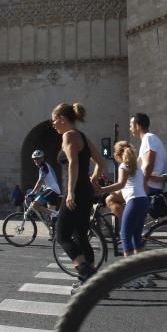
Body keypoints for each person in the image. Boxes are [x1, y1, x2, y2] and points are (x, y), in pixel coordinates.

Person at [50, 102, 105, 291]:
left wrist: (71, 191)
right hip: (86, 191)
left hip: (77, 191)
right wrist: (93, 180)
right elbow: (100, 162)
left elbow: (73, 163)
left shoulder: (68, 136)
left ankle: (87, 273)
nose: (53, 124)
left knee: (62, 235)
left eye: (54, 120)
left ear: (62, 119)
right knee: (80, 235)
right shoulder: (82, 136)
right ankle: (88, 281)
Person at [95, 141, 148, 264]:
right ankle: (141, 272)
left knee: (124, 234)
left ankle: (130, 273)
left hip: (134, 202)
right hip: (143, 201)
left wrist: (102, 190)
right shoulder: (137, 168)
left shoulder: (123, 166)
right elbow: (129, 186)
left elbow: (121, 184)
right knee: (136, 237)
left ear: (118, 154)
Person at [29, 149, 62, 222]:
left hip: (52, 190)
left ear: (42, 158)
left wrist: (32, 192)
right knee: (51, 219)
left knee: (34, 205)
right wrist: (37, 191)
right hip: (53, 191)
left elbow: (40, 181)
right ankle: (54, 230)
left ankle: (56, 213)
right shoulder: (46, 166)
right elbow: (43, 183)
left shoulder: (43, 167)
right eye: (34, 159)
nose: (36, 160)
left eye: (38, 158)